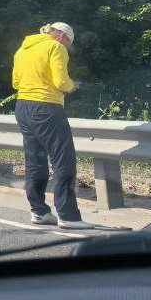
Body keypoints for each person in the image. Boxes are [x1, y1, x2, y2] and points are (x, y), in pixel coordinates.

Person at [11, 22, 98, 229]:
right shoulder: (55, 47)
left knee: (35, 160)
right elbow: (61, 82)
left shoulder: (22, 49)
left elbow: (15, 82)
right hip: (47, 108)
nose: (67, 48)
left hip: (22, 107)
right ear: (62, 37)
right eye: (68, 44)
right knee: (63, 160)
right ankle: (68, 216)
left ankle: (39, 211)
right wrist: (72, 85)